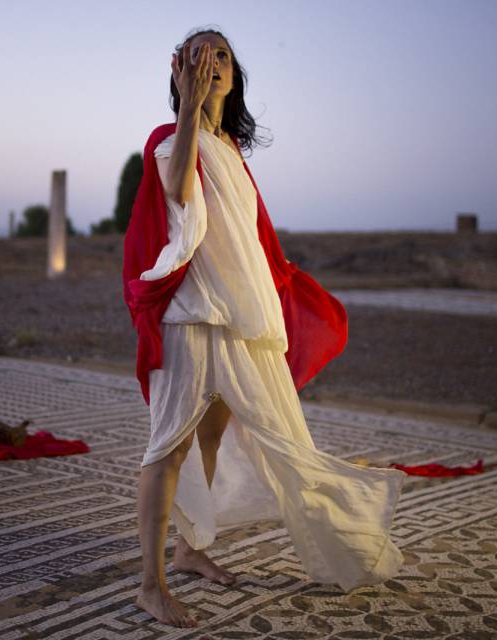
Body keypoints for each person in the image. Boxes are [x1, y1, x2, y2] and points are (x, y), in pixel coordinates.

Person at [122, 28, 406, 627]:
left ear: (236, 72)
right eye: (200, 56)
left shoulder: (231, 151)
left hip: (240, 320)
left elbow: (248, 244)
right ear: (180, 71)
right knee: (167, 446)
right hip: (194, 316)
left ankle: (191, 549)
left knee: (215, 436)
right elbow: (180, 194)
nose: (213, 63)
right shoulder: (170, 139)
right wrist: (187, 106)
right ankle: (151, 585)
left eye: (221, 54)